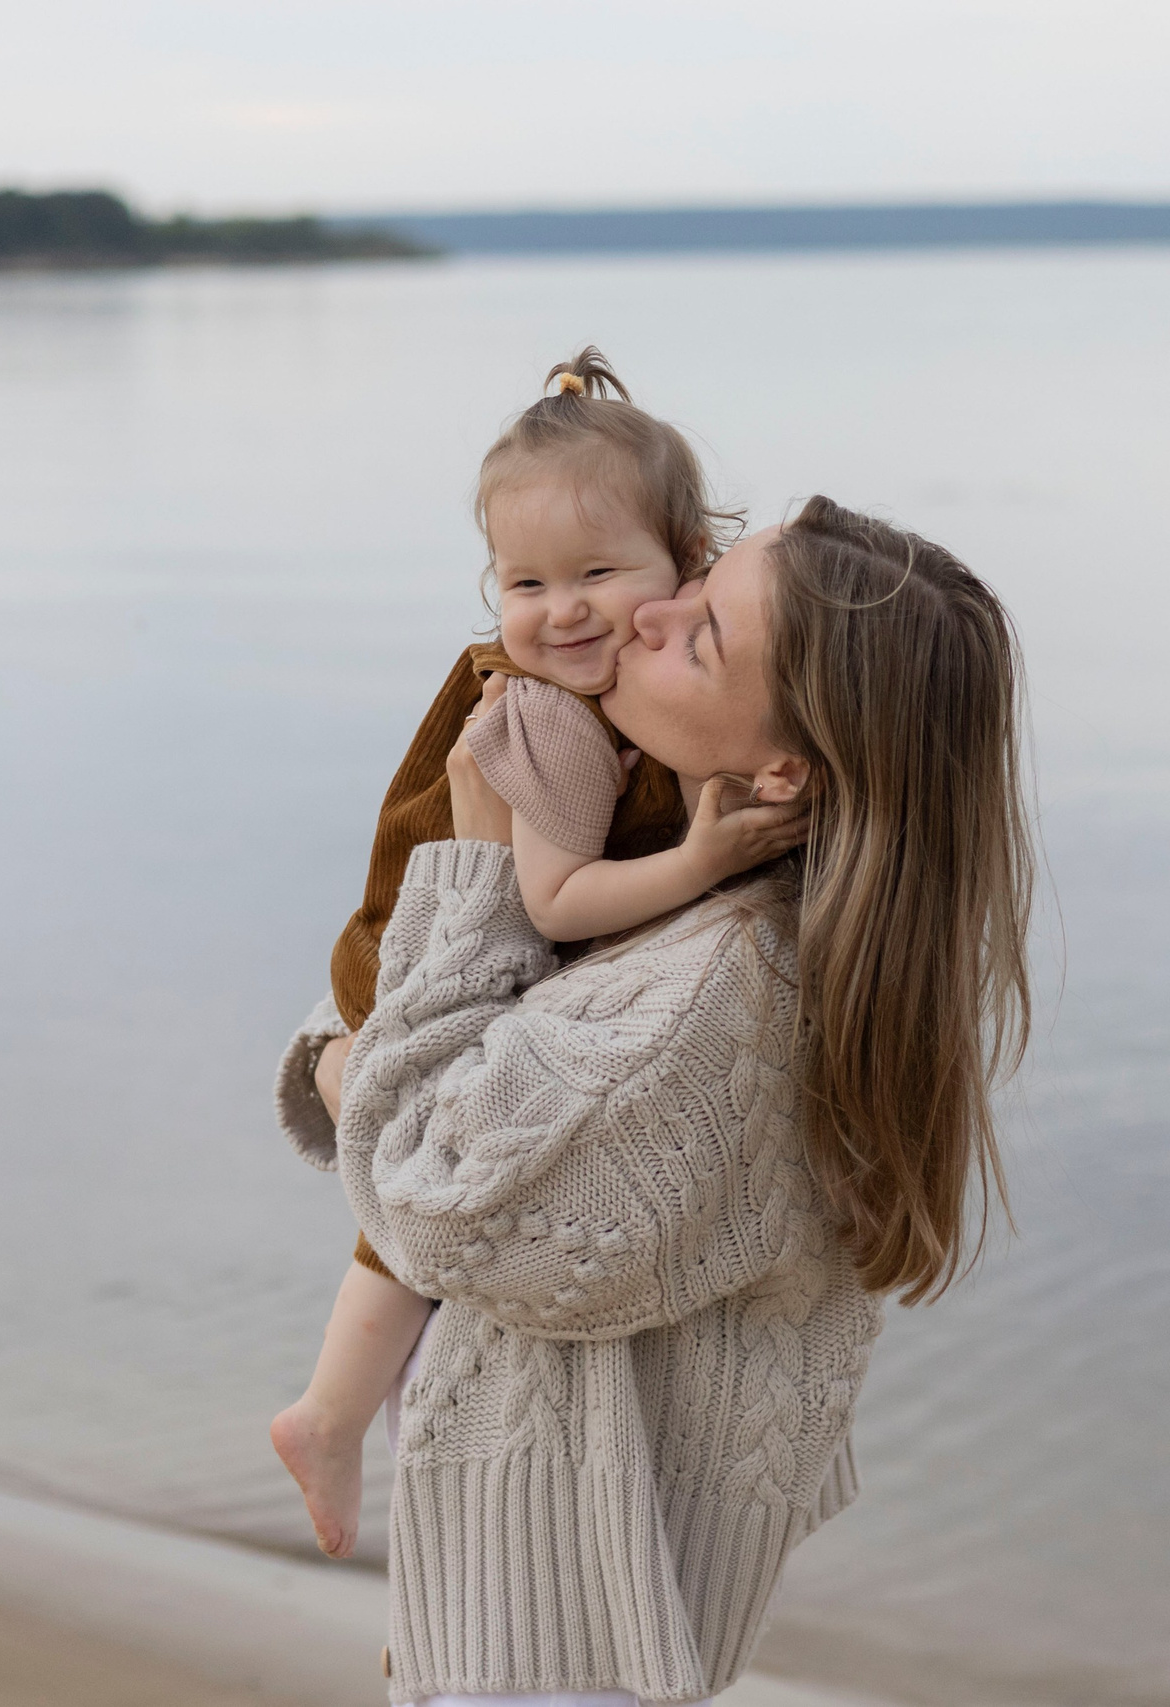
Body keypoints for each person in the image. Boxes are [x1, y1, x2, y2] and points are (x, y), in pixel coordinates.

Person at [276, 496, 1035, 1705]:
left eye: (699, 637)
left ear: (780, 767)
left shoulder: (719, 996)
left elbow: (434, 1202)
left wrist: (471, 869)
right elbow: (440, 1048)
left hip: (558, 1634)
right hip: (550, 1605)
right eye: (695, 579)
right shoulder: (696, 903)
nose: (644, 616)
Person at [269, 350, 799, 1561]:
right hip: (413, 959)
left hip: (437, 954)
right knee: (416, 1212)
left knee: (416, 1218)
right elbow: (556, 904)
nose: (561, 611)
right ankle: (334, 1412)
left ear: (685, 569)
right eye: (524, 582)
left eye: (597, 575)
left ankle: (333, 1411)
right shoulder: (555, 719)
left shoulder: (620, 698)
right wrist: (705, 862)